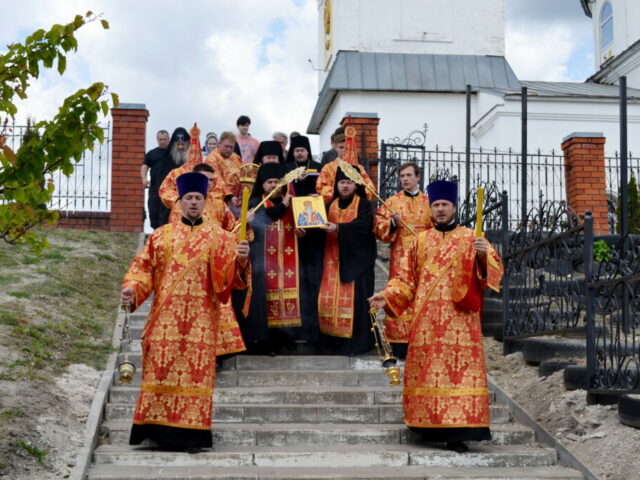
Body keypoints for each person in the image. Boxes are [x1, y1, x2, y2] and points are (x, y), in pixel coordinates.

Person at [368, 180, 503, 453]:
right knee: (428, 374)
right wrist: (387, 295)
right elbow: (405, 278)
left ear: (454, 207)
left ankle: (460, 432)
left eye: (445, 205)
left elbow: (494, 269)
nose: (440, 210)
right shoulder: (419, 240)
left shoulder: (471, 236)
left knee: (460, 375)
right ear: (431, 208)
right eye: (436, 205)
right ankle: (426, 428)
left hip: (461, 321)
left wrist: (480, 256)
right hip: (427, 321)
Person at [121, 171, 251, 453]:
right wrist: (132, 288)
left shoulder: (220, 237)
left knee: (196, 375)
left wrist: (240, 261)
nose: (193, 202)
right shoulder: (160, 236)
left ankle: (192, 436)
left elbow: (231, 279)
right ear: (179, 202)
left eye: (198, 198)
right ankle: (155, 432)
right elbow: (143, 269)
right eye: (189, 198)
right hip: (164, 320)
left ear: (205, 202)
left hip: (201, 322)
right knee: (161, 372)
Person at [236, 163, 305, 354]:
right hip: (263, 262)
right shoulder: (255, 202)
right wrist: (283, 205)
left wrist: (302, 233)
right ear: (262, 184)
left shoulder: (292, 202)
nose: (273, 185)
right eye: (269, 182)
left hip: (290, 262)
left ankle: (288, 339)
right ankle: (266, 343)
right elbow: (264, 218)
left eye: (276, 182)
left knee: (289, 299)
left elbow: (304, 225)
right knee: (264, 302)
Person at [373, 162, 432, 358]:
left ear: (418, 177)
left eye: (408, 175)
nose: (405, 179)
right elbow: (380, 229)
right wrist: (392, 222)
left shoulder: (429, 202)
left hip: (424, 258)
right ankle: (399, 345)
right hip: (400, 257)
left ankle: (422, 341)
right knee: (399, 295)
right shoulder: (392, 202)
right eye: (402, 176)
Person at [317, 168, 376, 356]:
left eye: (349, 182)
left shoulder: (364, 205)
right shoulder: (328, 205)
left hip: (355, 264)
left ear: (356, 185)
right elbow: (317, 228)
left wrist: (339, 228)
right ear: (336, 185)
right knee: (326, 303)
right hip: (330, 262)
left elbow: (363, 227)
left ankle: (355, 345)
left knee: (355, 306)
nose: (345, 185)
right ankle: (331, 344)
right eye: (342, 182)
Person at [283, 135, 325, 349]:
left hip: (316, 233)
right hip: (292, 231)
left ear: (308, 152)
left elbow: (324, 194)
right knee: (295, 280)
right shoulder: (287, 168)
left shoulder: (318, 168)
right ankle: (296, 329)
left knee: (314, 279)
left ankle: (315, 330)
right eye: (296, 150)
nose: (299, 153)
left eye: (303, 150)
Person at [316, 132, 375, 204]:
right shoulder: (328, 168)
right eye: (341, 147)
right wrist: (343, 192)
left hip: (355, 207)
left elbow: (370, 188)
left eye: (347, 148)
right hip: (334, 206)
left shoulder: (359, 168)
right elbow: (320, 188)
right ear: (336, 148)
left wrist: (351, 193)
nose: (344, 150)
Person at [141, 129, 173, 229]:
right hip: (155, 187)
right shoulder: (152, 153)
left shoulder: (174, 153)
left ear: (169, 139)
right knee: (153, 210)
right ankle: (155, 231)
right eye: (160, 139)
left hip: (170, 188)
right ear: (157, 140)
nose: (162, 141)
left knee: (167, 212)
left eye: (164, 139)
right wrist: (144, 179)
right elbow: (144, 167)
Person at [207, 131, 244, 213]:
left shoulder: (236, 158)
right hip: (220, 201)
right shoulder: (212, 159)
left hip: (237, 200)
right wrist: (229, 196)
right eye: (226, 146)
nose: (229, 149)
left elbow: (243, 176)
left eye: (231, 147)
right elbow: (217, 179)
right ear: (219, 143)